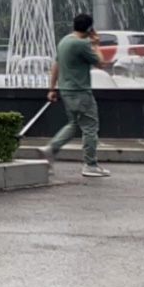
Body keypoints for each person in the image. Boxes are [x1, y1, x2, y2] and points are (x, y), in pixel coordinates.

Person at [42, 12, 110, 177]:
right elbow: (101, 63)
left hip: (66, 91)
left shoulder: (64, 41)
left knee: (74, 124)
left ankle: (51, 148)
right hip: (80, 92)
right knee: (90, 128)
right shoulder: (81, 44)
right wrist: (96, 44)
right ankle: (90, 165)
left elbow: (55, 66)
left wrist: (52, 89)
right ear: (89, 28)